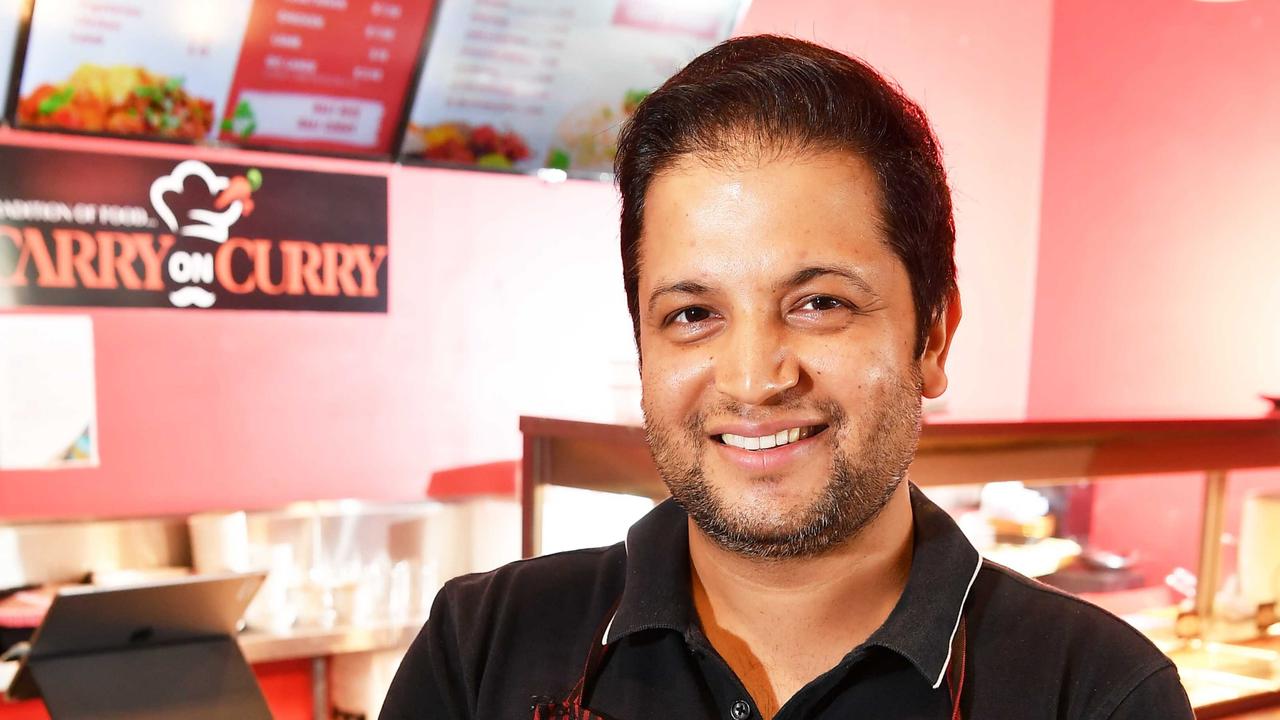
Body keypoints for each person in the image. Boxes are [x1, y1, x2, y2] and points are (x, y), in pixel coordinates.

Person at [380, 35, 1194, 720]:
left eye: (818, 302)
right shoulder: (482, 650)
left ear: (933, 336)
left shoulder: (1097, 693)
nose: (754, 378)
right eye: (693, 314)